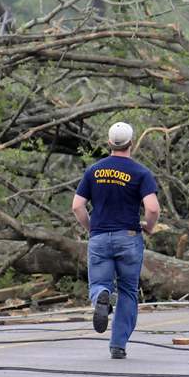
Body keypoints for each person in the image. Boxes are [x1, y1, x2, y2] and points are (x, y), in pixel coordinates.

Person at [72, 122, 160, 359]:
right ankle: (118, 345)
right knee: (128, 291)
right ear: (131, 143)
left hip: (100, 236)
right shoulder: (140, 172)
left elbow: (77, 205)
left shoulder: (94, 171)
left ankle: (101, 294)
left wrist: (92, 228)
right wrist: (149, 227)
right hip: (129, 237)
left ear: (109, 143)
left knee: (99, 283)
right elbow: (152, 208)